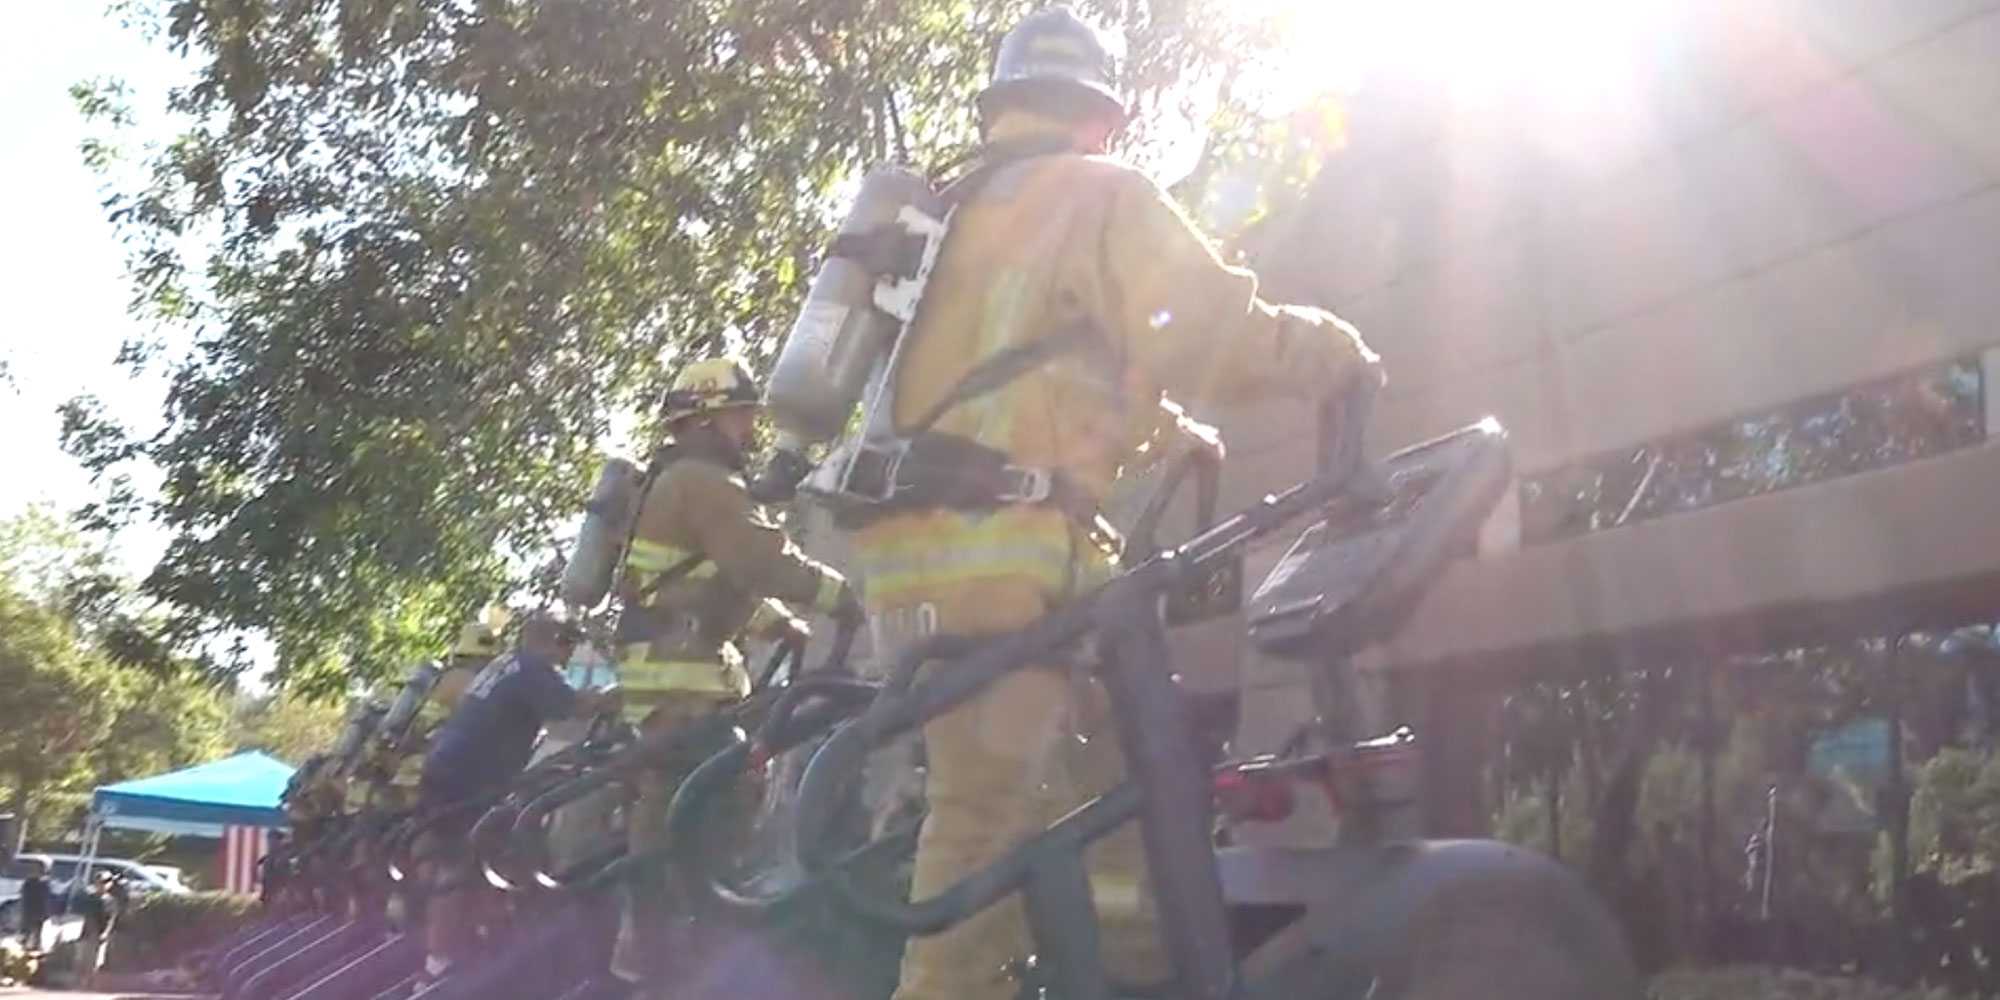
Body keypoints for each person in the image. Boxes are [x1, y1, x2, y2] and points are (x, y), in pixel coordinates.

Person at [834, 7, 1382, 1000]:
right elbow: (1212, 329)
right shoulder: (1097, 191)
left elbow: (1024, 374)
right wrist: (1335, 355)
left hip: (912, 554)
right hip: (1000, 554)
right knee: (984, 815)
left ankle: (1132, 974)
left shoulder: (950, 213)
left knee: (1123, 773)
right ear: (1100, 114)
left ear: (1003, 105)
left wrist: (1161, 430)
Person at [605, 356, 863, 991]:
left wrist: (776, 625)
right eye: (742, 416)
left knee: (672, 804)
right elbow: (759, 557)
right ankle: (696, 947)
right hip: (683, 680)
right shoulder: (700, 479)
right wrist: (841, 597)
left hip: (672, 671)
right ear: (708, 418)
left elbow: (701, 583)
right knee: (718, 800)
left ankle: (648, 949)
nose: (749, 431)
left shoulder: (674, 483)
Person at [410, 611, 614, 985]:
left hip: (446, 770)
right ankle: (442, 964)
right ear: (550, 640)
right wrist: (617, 697)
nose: (569, 655)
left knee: (472, 862)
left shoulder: (505, 664)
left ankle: (454, 949)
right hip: (470, 779)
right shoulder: (534, 667)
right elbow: (574, 709)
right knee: (468, 864)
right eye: (567, 644)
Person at [14, 857, 50, 954]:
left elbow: (45, 900)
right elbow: (24, 898)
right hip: (28, 913)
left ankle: (33, 948)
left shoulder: (43, 884)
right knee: (25, 934)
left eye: (37, 869)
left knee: (35, 934)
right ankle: (25, 948)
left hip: (37, 913)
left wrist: (45, 913)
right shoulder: (29, 883)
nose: (34, 871)